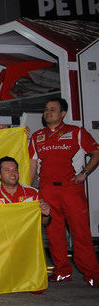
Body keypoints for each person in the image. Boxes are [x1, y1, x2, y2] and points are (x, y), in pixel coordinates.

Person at [28, 98, 99, 285]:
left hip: (71, 188)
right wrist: (28, 189)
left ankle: (92, 273)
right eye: (46, 109)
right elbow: (32, 163)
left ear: (63, 113)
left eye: (53, 109)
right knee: (53, 232)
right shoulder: (37, 136)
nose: (48, 112)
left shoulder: (76, 132)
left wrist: (84, 173)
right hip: (47, 189)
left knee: (80, 232)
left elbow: (96, 152)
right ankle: (62, 270)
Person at [0, 157, 51, 225]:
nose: (13, 174)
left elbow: (44, 223)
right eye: (7, 170)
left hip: (28, 235)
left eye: (15, 170)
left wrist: (46, 215)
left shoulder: (33, 193)